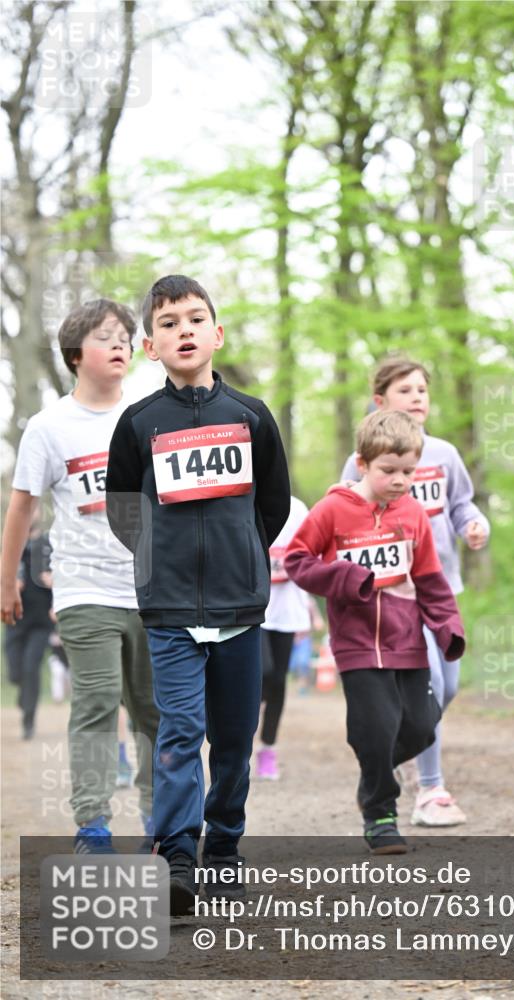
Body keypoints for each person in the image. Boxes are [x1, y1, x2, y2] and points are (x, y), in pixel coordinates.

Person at [106, 274, 290, 914]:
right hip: (169, 609)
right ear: (150, 346)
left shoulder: (251, 416)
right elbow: (124, 509)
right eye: (167, 323)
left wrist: (242, 555)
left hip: (242, 607)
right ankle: (179, 853)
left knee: (236, 738)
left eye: (194, 318)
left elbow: (271, 503)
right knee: (180, 731)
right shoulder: (138, 423)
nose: (183, 330)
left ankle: (225, 847)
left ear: (217, 333)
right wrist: (163, 564)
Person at [0, 299, 159, 852]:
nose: (120, 344)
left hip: (151, 589)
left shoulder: (147, 417)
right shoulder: (49, 427)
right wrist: (6, 580)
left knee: (152, 710)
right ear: (75, 355)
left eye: (125, 337)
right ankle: (92, 825)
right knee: (96, 700)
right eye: (105, 337)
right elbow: (22, 506)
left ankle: (159, 823)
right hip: (83, 586)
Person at [286, 409, 465, 855]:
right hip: (357, 643)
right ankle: (381, 815)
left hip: (407, 642)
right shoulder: (332, 510)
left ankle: (374, 767)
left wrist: (447, 627)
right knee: (376, 727)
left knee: (423, 726)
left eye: (409, 471)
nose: (401, 480)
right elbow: (297, 561)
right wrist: (346, 578)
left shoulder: (414, 515)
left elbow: (430, 579)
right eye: (389, 471)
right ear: (362, 464)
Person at [341, 357, 488, 827]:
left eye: (423, 389)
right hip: (395, 595)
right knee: (434, 685)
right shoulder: (361, 460)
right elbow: (346, 516)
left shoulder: (444, 454)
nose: (418, 397)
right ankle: (431, 789)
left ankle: (400, 747)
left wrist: (473, 525)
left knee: (449, 686)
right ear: (381, 402)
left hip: (442, 590)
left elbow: (461, 505)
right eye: (406, 390)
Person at [256, 495, 311, 780]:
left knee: (278, 681)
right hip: (255, 609)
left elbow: (310, 555)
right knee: (261, 673)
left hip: (288, 610)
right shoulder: (248, 500)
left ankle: (268, 749)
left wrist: (310, 608)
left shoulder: (299, 508)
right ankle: (240, 737)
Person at [3, 522, 53, 739]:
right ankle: (24, 694)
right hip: (14, 620)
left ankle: (28, 722)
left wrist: (56, 585)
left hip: (41, 621)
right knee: (16, 674)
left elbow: (71, 574)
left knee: (31, 668)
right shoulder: (9, 545)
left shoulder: (50, 546)